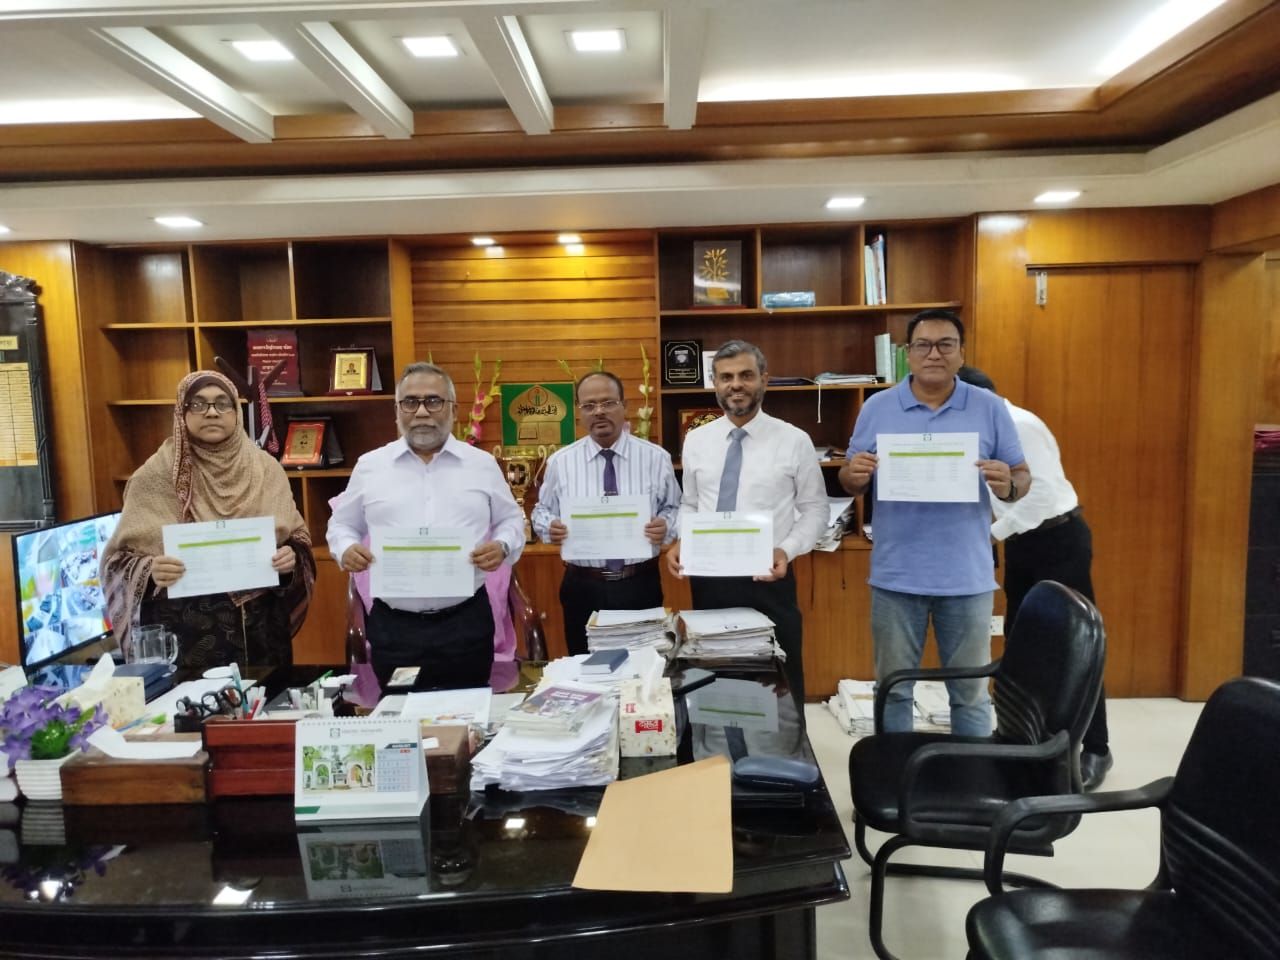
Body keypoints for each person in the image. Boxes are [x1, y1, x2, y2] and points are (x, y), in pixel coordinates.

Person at [839, 309, 1031, 736]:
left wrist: (1007, 485)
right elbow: (849, 477)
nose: (934, 354)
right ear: (908, 354)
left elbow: (1021, 476)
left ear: (961, 353)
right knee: (893, 690)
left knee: (970, 693)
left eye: (946, 344)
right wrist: (855, 476)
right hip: (895, 576)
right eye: (923, 345)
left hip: (966, 578)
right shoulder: (877, 407)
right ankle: (894, 771)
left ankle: (971, 774)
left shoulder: (989, 407)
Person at [957, 365, 1113, 788]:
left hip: (1057, 538)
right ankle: (1026, 737)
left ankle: (1096, 748)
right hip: (1023, 543)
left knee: (1077, 645)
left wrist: (990, 533)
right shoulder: (982, 429)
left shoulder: (1019, 426)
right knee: (1024, 641)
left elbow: (1040, 493)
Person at [327, 362, 525, 689]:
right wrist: (346, 548)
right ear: (397, 410)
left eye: (433, 401)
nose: (421, 411)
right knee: (399, 715)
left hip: (465, 623)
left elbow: (511, 519)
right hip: (395, 627)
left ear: (454, 410)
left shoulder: (482, 465)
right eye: (410, 402)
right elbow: (341, 525)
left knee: (469, 712)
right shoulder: (370, 466)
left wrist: (503, 545)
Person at [101, 370, 315, 672]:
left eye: (222, 403)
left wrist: (291, 558)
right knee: (194, 703)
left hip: (261, 632)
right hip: (185, 637)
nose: (212, 412)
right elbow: (117, 562)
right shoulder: (154, 476)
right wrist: (149, 570)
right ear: (182, 412)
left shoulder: (267, 470)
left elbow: (298, 538)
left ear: (236, 411)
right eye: (198, 404)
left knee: (265, 699)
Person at [668, 339, 828, 710]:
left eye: (745, 375)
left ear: (764, 380)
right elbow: (690, 503)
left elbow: (816, 510)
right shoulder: (697, 440)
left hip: (769, 579)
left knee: (778, 683)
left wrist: (786, 550)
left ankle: (788, 744)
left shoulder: (794, 440)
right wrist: (682, 539)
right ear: (715, 383)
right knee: (715, 679)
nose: (736, 384)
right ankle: (720, 746)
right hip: (709, 579)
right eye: (726, 377)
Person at [531, 371, 680, 655]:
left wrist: (666, 525)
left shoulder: (655, 458)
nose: (599, 411)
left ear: (625, 406)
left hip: (639, 583)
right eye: (589, 405)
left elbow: (674, 507)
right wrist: (550, 526)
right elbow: (541, 511)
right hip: (582, 586)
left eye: (608, 402)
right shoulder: (561, 462)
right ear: (579, 413)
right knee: (586, 666)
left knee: (645, 664)